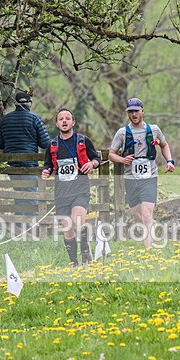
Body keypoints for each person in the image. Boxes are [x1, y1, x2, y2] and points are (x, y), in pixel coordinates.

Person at [108, 98, 174, 248]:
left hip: (149, 176)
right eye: (130, 112)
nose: (134, 114)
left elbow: (164, 145)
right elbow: (111, 155)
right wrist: (122, 159)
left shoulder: (154, 129)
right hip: (131, 177)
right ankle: (153, 229)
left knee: (145, 215)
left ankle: (149, 250)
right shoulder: (122, 133)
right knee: (137, 216)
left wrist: (170, 161)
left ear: (142, 111)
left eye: (136, 111)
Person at [41, 108, 100, 266]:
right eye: (61, 119)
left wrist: (91, 163)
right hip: (61, 192)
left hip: (80, 188)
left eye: (68, 118)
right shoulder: (52, 145)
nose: (64, 121)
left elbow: (96, 158)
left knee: (78, 220)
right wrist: (46, 171)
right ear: (57, 123)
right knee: (67, 228)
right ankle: (74, 262)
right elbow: (48, 164)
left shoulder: (83, 140)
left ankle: (86, 253)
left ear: (73, 122)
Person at [0, 90, 51, 216]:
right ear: (30, 103)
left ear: (15, 103)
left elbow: (0, 144)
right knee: (31, 195)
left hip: (12, 165)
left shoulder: (5, 120)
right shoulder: (34, 118)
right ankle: (30, 228)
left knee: (19, 194)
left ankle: (20, 227)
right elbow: (45, 143)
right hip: (29, 164)